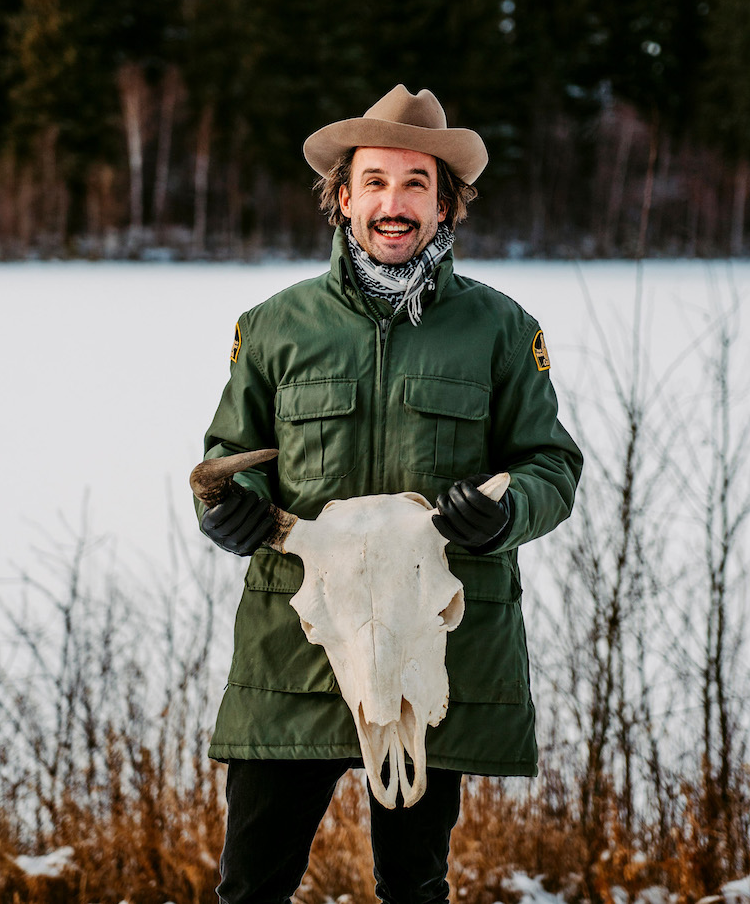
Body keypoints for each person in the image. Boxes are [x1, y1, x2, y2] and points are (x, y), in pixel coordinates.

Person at [194, 85, 583, 904]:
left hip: (429, 648)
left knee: (415, 885)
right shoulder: (273, 326)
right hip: (294, 646)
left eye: (416, 184)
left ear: (447, 206)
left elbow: (550, 466)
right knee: (251, 884)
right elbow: (234, 454)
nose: (393, 203)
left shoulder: (503, 331)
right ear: (341, 199)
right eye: (373, 182)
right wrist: (229, 508)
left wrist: (504, 515)